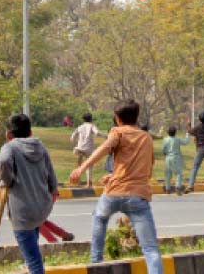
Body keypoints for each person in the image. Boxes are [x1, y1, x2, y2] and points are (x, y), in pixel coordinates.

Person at [69, 99, 163, 274]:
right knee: (151, 250)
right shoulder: (146, 138)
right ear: (136, 117)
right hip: (137, 196)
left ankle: (96, 262)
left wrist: (81, 168)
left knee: (99, 218)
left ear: (118, 119)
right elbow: (146, 170)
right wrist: (114, 174)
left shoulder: (117, 132)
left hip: (113, 193)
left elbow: (103, 149)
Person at [0, 114, 59, 274]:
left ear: (8, 134)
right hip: (42, 208)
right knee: (32, 242)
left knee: (33, 259)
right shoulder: (40, 147)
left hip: (23, 213)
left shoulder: (10, 147)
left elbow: (3, 161)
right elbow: (52, 177)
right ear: (31, 132)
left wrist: (6, 181)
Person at [70, 112, 107, 187]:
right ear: (91, 119)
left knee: (79, 163)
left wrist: (74, 141)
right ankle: (88, 182)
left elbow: (72, 136)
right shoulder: (92, 126)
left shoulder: (80, 127)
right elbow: (97, 133)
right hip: (89, 149)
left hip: (79, 148)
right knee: (89, 164)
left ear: (83, 119)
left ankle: (77, 178)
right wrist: (106, 135)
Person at [162, 125, 190, 194]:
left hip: (168, 158)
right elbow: (186, 142)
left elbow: (163, 149)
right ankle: (177, 187)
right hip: (176, 158)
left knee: (168, 174)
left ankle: (167, 189)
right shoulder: (177, 139)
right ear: (175, 133)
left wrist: (165, 153)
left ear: (168, 132)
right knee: (178, 173)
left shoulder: (165, 139)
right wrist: (187, 134)